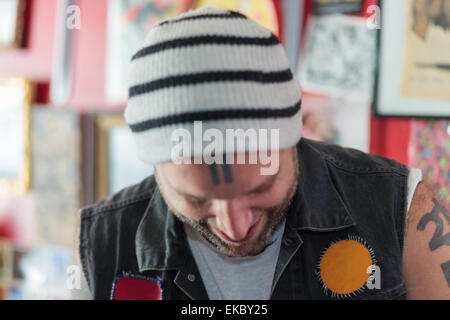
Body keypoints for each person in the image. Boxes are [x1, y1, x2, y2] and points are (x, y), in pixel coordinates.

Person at [78, 7, 450, 300]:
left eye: (259, 188)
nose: (234, 227)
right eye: (196, 199)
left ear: (293, 139)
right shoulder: (101, 245)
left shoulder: (399, 208)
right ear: (156, 168)